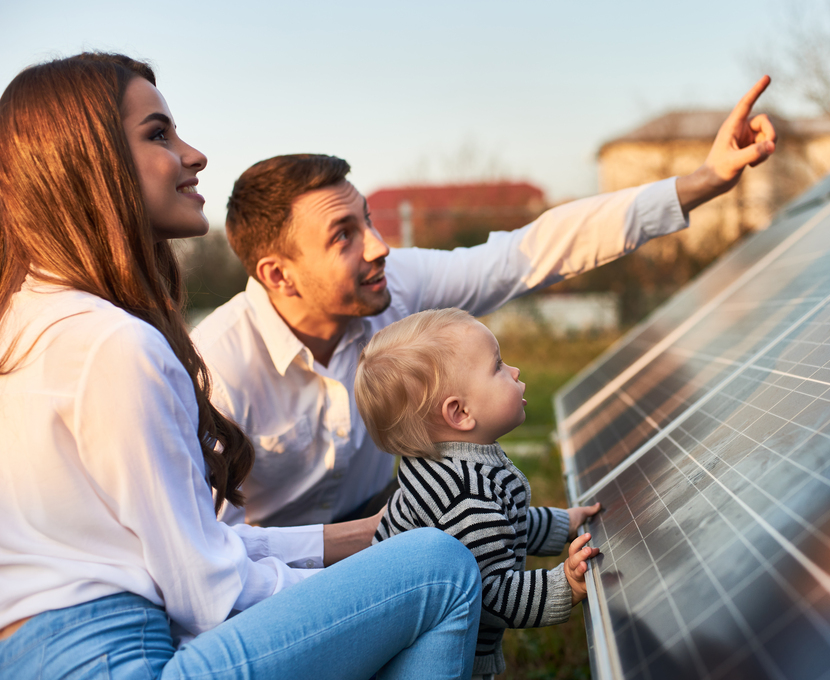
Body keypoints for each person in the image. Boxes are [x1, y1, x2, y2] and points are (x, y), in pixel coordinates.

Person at [0, 52, 482, 679]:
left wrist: (373, 537)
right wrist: (380, 585)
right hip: (123, 661)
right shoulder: (113, 345)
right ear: (88, 164)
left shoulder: (25, 322)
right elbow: (209, 593)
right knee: (439, 569)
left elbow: (192, 543)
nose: (194, 155)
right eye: (158, 134)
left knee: (412, 554)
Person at [192, 77, 777, 529]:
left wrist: (703, 181)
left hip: (383, 518)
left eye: (367, 219)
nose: (378, 246)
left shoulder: (391, 284)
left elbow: (527, 253)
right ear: (279, 275)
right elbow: (211, 554)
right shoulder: (217, 369)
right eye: (343, 235)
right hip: (274, 575)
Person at [354, 307, 603, 678]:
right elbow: (491, 594)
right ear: (460, 413)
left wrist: (562, 524)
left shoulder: (446, 466)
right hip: (440, 660)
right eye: (498, 366)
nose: (514, 371)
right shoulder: (464, 496)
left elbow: (503, 526)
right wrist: (563, 585)